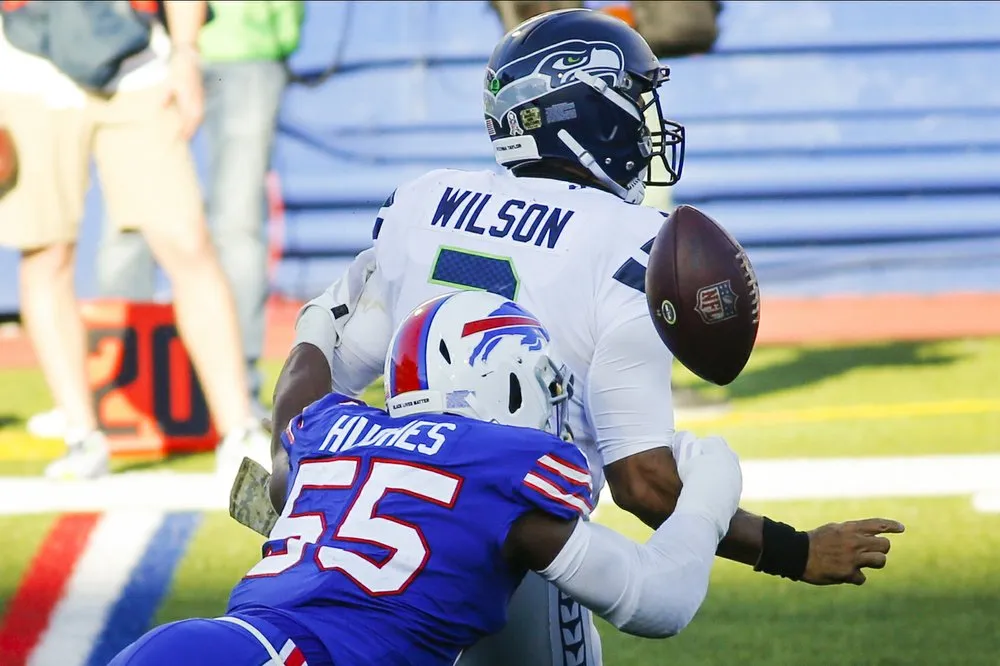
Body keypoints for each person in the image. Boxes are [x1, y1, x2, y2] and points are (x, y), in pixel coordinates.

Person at [270, 9, 904, 666]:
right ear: (584, 111)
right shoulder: (635, 244)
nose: (646, 124)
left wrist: (294, 471)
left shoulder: (422, 201)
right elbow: (645, 484)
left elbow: (320, 384)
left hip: (379, 534)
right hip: (519, 537)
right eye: (634, 100)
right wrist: (793, 550)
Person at [109, 290, 745, 665]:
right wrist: (710, 492)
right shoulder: (499, 475)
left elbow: (291, 411)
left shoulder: (330, 433)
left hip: (192, 645)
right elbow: (657, 600)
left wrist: (318, 321)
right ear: (507, 384)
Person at [0, 0, 268, 479]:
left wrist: (186, 53)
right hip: (29, 61)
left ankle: (239, 428)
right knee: (46, 252)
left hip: (137, 61)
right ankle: (81, 434)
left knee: (186, 241)